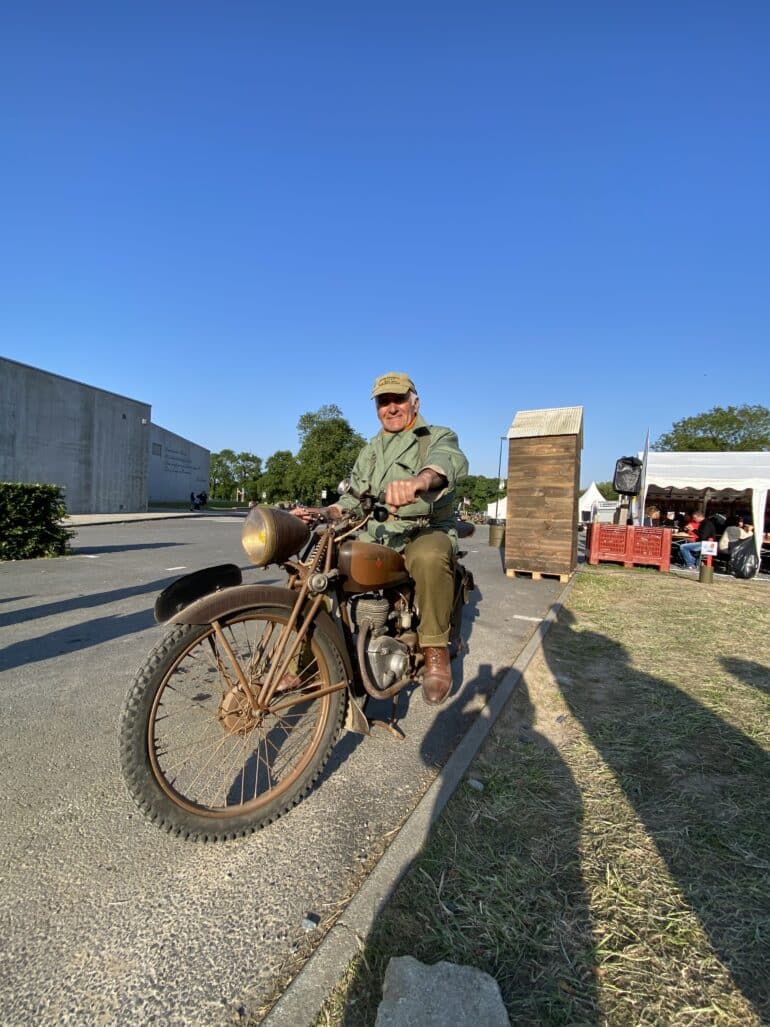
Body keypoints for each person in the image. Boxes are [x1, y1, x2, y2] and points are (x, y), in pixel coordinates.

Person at [291, 372, 469, 705]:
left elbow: (448, 464)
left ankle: (435, 650)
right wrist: (318, 512)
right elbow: (351, 501)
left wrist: (420, 481)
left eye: (397, 399)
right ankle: (306, 656)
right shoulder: (370, 450)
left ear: (414, 401)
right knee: (316, 558)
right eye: (383, 402)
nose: (391, 408)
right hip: (377, 531)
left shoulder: (437, 436)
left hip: (423, 528)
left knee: (430, 557)